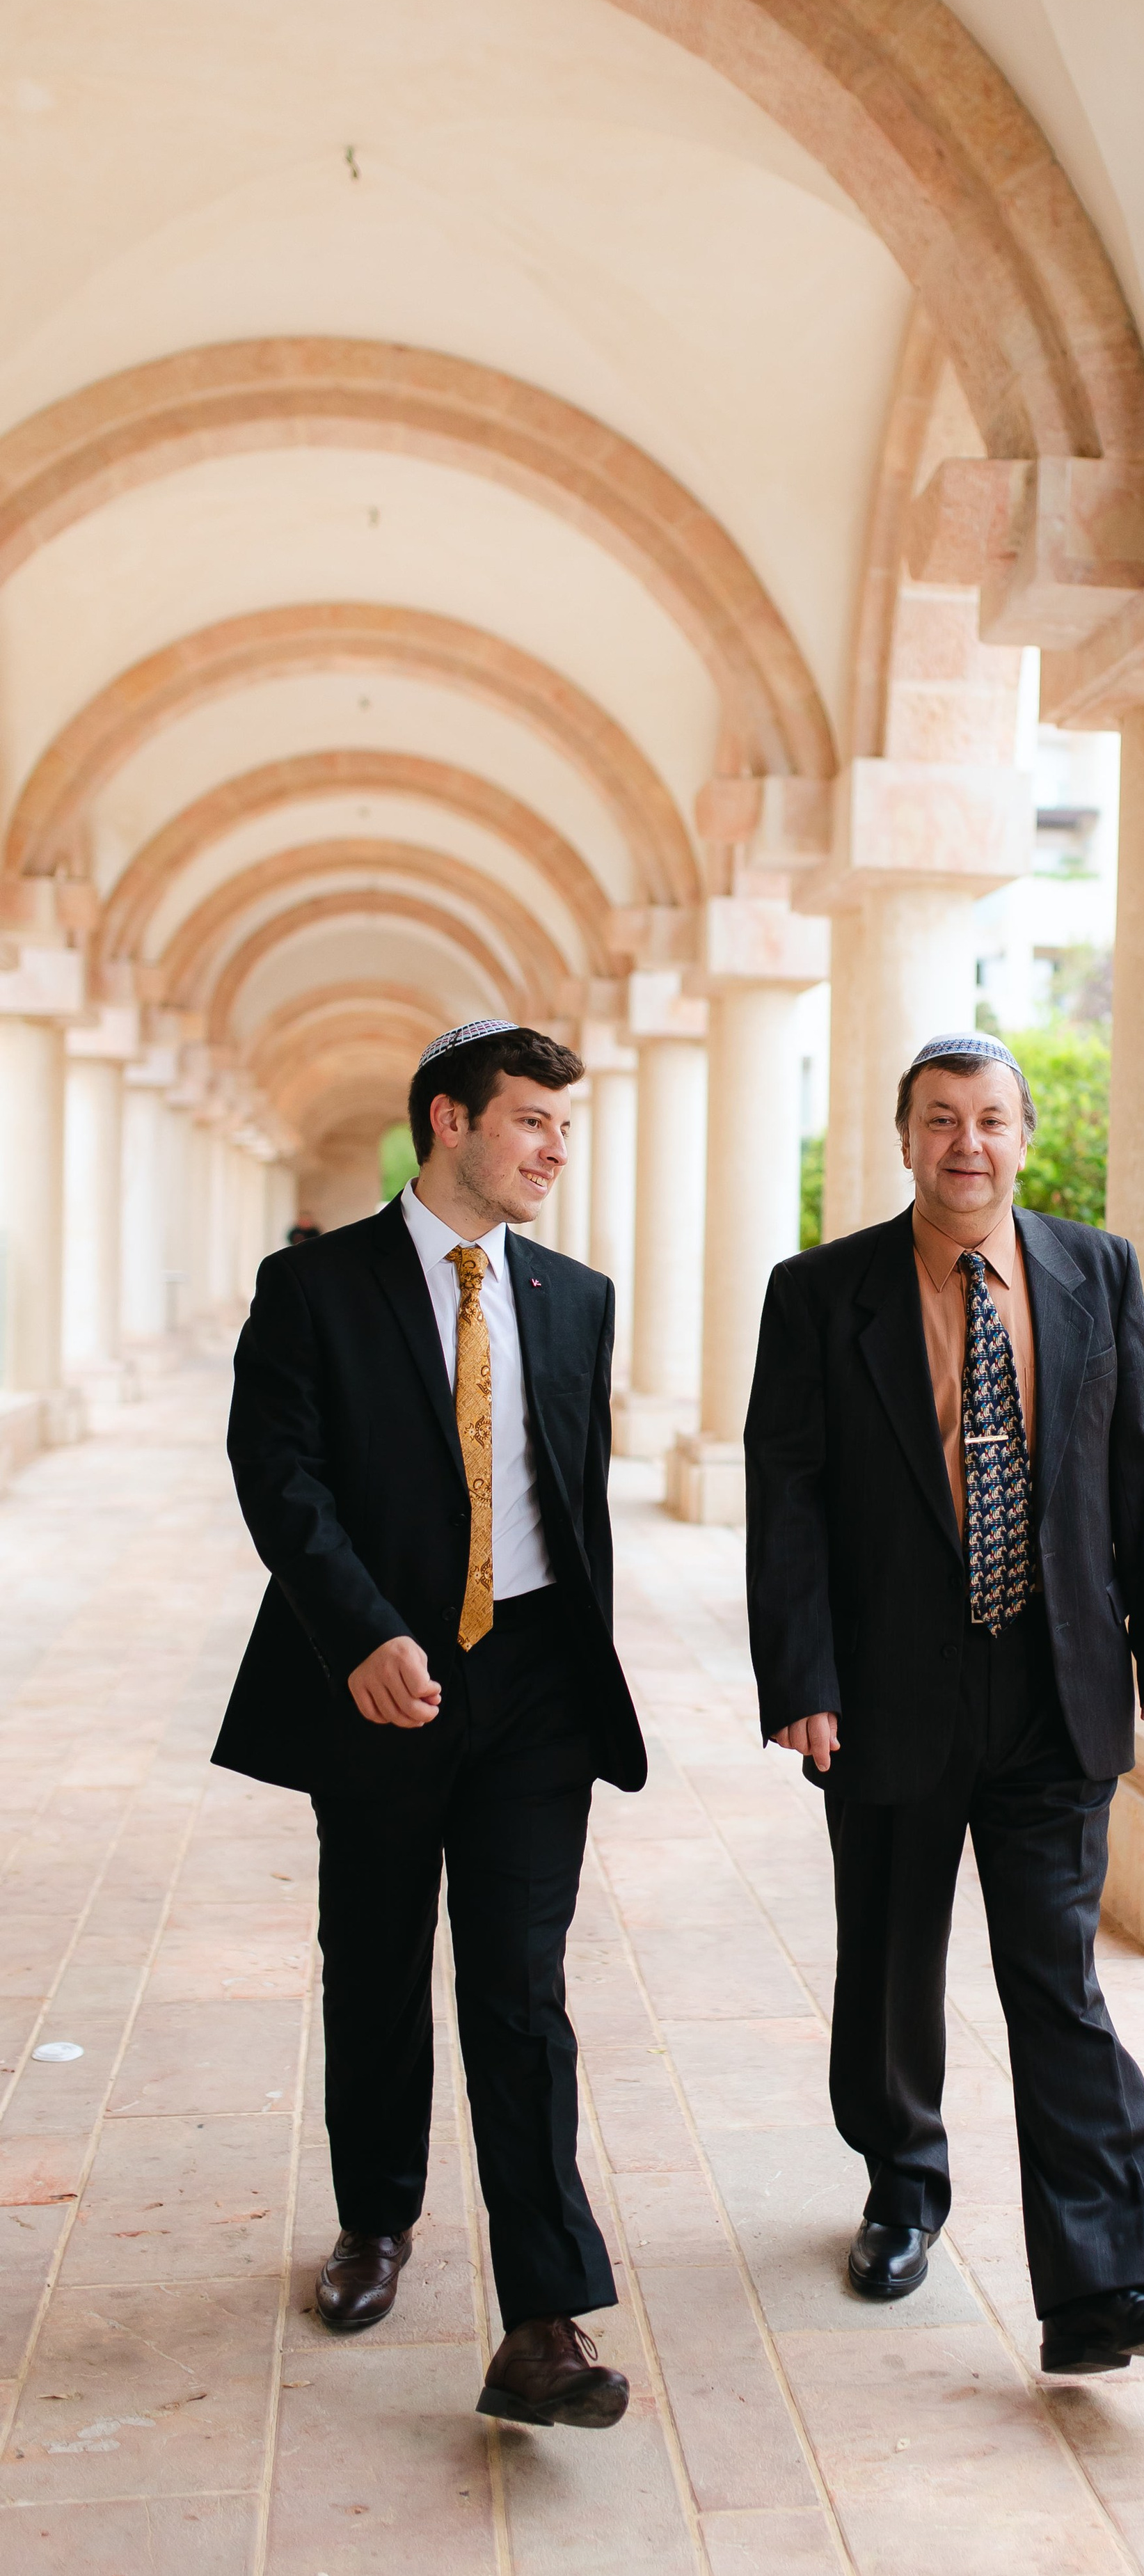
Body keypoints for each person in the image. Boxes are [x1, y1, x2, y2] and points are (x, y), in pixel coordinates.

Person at [744, 1032, 1144, 2377]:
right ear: (902, 1140)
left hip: (1055, 1683)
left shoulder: (1094, 1270)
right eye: (940, 1120)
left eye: (991, 1120)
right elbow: (786, 1500)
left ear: (1025, 1138)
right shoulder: (820, 1292)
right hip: (888, 1692)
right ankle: (903, 2189)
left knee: (1056, 1989)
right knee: (891, 1969)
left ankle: (1099, 2291)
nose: (968, 1144)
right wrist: (804, 1683)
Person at [214, 1019, 644, 2431]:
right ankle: (375, 2219)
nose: (553, 1150)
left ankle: (545, 2320)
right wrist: (362, 1633)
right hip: (381, 1676)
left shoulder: (575, 1297)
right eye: (530, 1121)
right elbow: (277, 1478)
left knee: (519, 1987)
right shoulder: (313, 1287)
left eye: (563, 1128)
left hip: (531, 1684)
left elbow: (566, 1506)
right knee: (380, 1960)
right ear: (448, 1123)